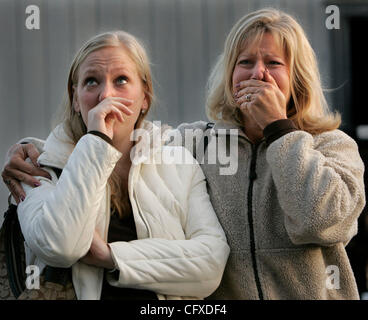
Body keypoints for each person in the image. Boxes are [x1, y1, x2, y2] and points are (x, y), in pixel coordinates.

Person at [2, 8, 366, 300]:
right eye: (245, 63)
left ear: (296, 78)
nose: (259, 74)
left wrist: (278, 129)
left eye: (273, 63)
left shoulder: (331, 146)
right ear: (230, 75)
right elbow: (130, 140)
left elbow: (319, 221)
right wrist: (32, 148)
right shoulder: (195, 143)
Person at [0, 30, 229, 300]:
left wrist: (111, 257)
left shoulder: (180, 166)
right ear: (75, 98)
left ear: (144, 97)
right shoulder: (39, 166)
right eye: (91, 82)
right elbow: (60, 247)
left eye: (121, 80)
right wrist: (97, 140)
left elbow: (211, 265)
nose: (105, 95)